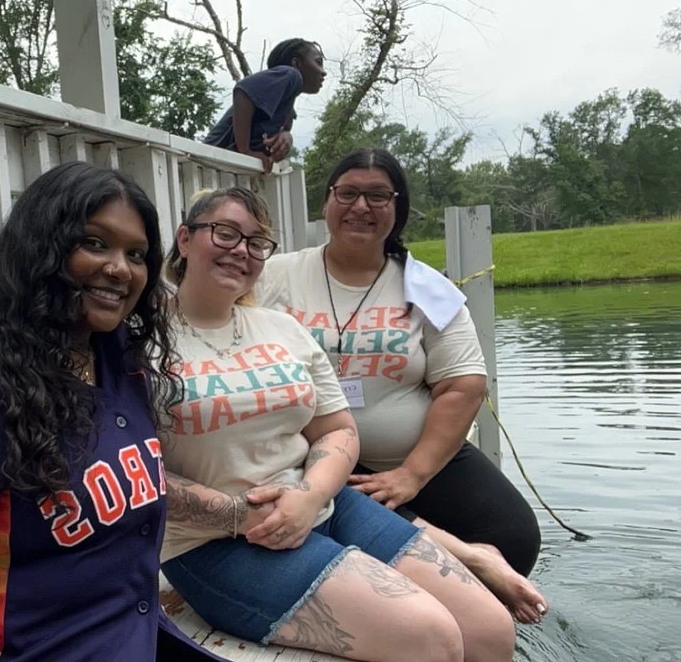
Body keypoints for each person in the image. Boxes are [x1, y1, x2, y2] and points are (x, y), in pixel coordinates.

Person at [0, 162, 224, 661]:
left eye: (137, 254)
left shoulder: (116, 356)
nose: (121, 268)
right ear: (42, 246)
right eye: (95, 243)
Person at [157, 186, 516, 662]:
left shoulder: (282, 328)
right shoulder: (142, 341)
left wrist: (309, 497)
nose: (240, 251)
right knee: (430, 636)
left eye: (256, 243)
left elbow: (337, 429)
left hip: (323, 502)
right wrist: (237, 514)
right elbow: (131, 469)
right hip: (212, 540)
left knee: (489, 628)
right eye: (225, 234)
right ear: (185, 239)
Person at [255, 147, 548, 625]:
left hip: (409, 459)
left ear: (399, 207)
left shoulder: (425, 287)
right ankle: (426, 604)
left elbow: (464, 385)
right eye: (347, 192)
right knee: (346, 517)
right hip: (309, 457)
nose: (361, 207)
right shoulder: (275, 275)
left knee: (511, 533)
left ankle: (456, 623)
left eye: (378, 195)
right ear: (327, 202)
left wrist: (412, 474)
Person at [202, 38, 326, 174]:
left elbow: (283, 131)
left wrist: (286, 136)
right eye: (318, 62)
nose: (323, 72)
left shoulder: (287, 108)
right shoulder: (291, 74)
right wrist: (246, 151)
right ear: (296, 63)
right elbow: (243, 90)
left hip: (220, 167)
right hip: (207, 159)